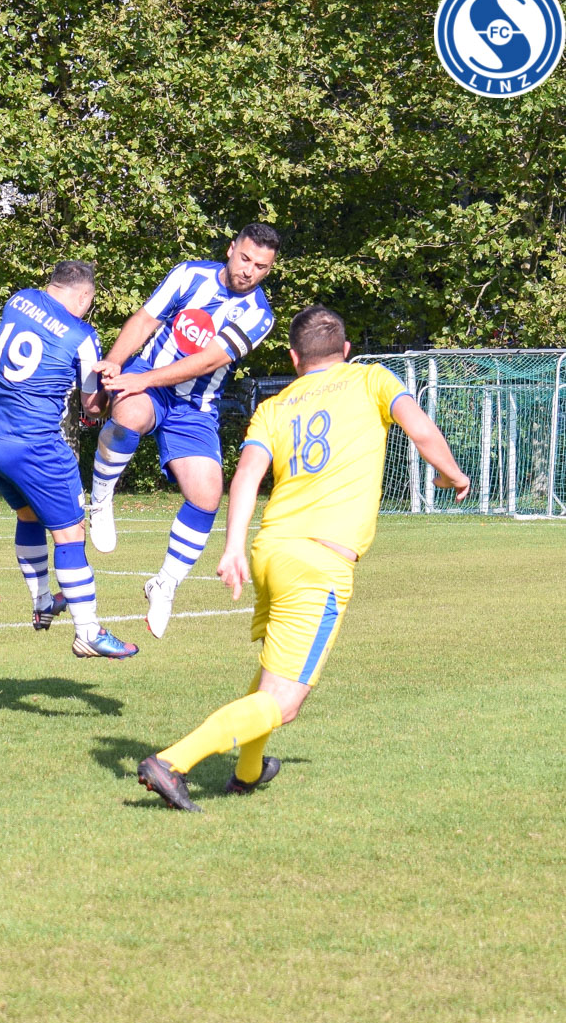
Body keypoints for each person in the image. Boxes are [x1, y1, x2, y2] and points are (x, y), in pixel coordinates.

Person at [137, 306, 470, 812]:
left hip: (271, 552)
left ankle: (248, 772)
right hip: (318, 562)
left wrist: (232, 547)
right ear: (346, 351)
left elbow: (246, 476)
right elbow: (420, 430)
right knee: (284, 702)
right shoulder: (372, 379)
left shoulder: (274, 406)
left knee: (271, 675)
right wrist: (453, 474)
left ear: (294, 358)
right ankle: (172, 762)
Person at [86, 224, 281, 638]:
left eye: (261, 267)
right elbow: (144, 320)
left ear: (269, 269)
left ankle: (165, 584)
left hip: (195, 405)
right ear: (231, 249)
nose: (249, 271)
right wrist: (116, 364)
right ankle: (100, 500)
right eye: (245, 258)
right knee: (130, 416)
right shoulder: (190, 274)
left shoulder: (259, 315)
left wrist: (143, 379)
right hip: (149, 380)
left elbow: (208, 361)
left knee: (208, 494)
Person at [0, 261, 138, 660]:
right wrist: (115, 390)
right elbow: (91, 406)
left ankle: (43, 600)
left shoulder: (19, 300)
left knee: (28, 516)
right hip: (34, 447)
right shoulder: (82, 335)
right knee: (70, 534)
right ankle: (88, 632)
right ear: (84, 296)